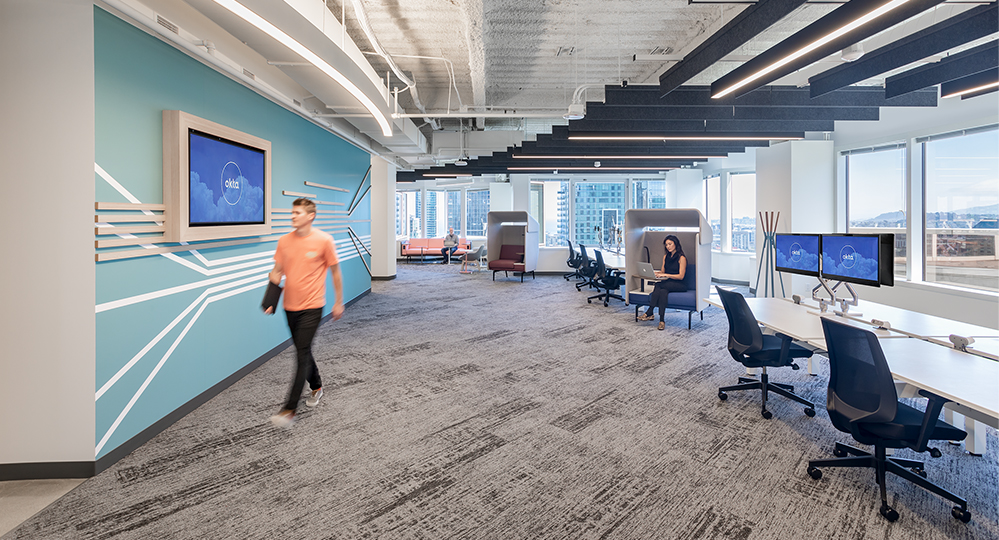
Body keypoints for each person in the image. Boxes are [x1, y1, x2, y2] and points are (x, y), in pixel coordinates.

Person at [264, 198, 344, 427]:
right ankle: (317, 386)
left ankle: (289, 409)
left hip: (313, 306)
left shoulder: (324, 241)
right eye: (292, 212)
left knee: (300, 354)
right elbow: (277, 271)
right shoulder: (284, 241)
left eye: (297, 212)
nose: (292, 216)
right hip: (290, 306)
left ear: (310, 216)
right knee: (303, 350)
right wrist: (270, 298)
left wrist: (338, 301)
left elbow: (335, 273)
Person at [638, 235, 687, 331]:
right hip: (668, 284)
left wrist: (666, 275)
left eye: (670, 244)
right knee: (663, 291)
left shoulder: (681, 258)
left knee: (659, 285)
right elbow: (663, 271)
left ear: (675, 244)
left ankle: (650, 312)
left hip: (680, 284)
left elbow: (681, 276)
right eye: (666, 245)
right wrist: (656, 273)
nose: (668, 246)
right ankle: (661, 321)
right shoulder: (666, 257)